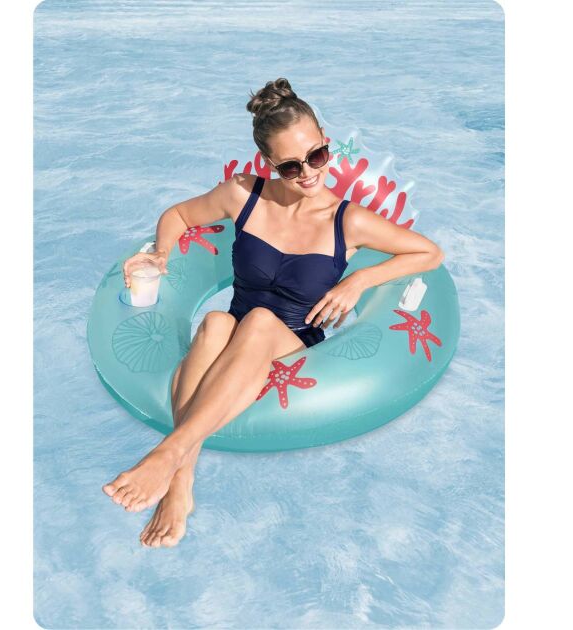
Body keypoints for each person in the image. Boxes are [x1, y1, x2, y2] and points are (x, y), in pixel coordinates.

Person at [102, 78, 445, 548]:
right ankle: (181, 484)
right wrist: (161, 255)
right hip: (237, 331)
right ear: (268, 163)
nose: (307, 173)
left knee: (259, 322)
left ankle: (170, 458)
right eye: (290, 166)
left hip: (295, 340)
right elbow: (177, 216)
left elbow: (429, 253)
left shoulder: (348, 220)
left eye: (317, 156)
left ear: (325, 142)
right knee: (216, 322)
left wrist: (359, 280)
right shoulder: (243, 194)